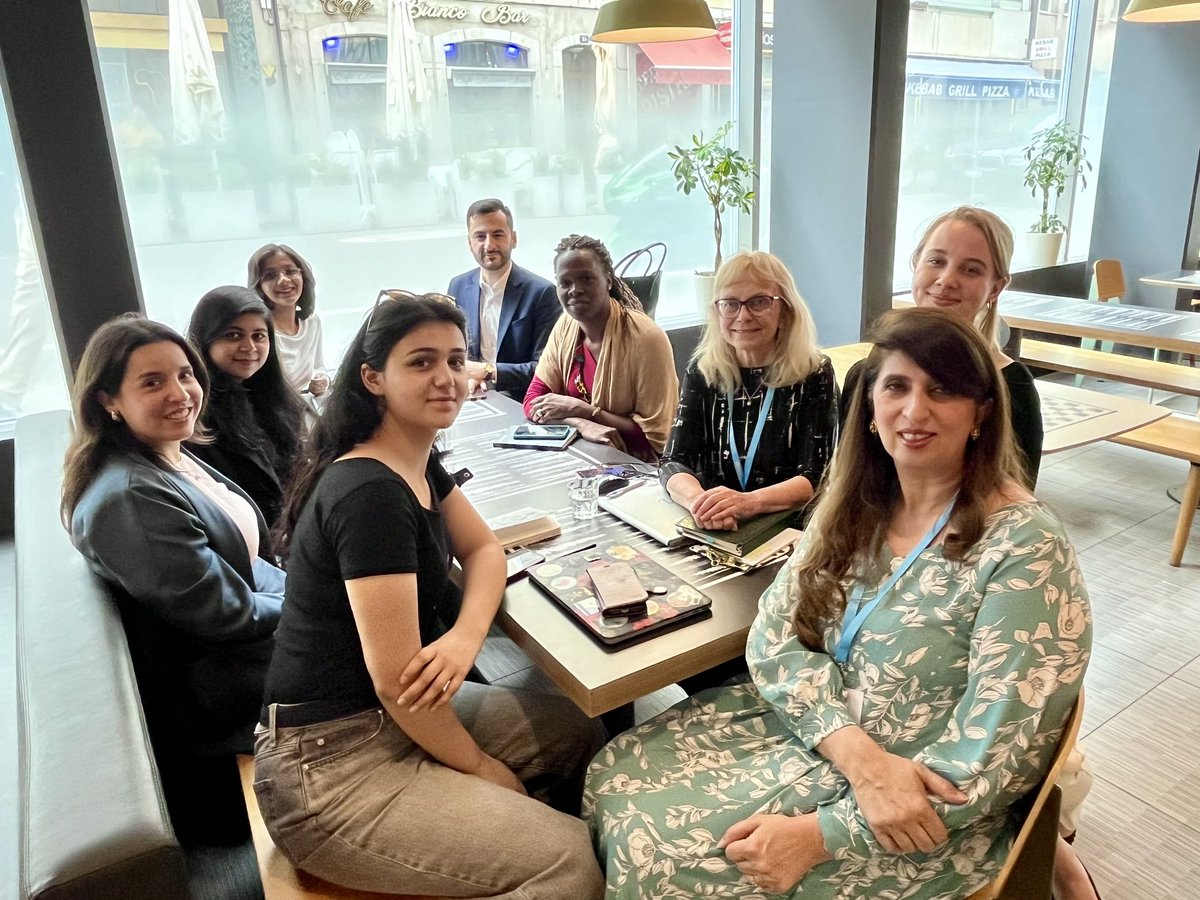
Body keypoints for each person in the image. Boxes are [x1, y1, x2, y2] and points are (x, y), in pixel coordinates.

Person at [587, 308, 1091, 899]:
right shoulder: (860, 504)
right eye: (896, 387)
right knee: (612, 773)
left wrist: (821, 835)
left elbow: (996, 756)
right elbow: (774, 632)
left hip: (920, 812)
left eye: (942, 391)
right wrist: (854, 752)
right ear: (871, 409)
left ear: (982, 412)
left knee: (667, 863)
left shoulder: (1025, 549)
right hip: (826, 737)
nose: (914, 410)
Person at [253, 294, 605, 897]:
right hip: (329, 767)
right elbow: (397, 684)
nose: (446, 377)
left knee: (578, 732)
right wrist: (482, 769)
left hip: (386, 719)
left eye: (455, 359)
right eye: (420, 362)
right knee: (566, 861)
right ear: (373, 379)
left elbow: (486, 551)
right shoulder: (368, 492)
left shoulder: (414, 457)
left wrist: (466, 640)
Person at [63, 315, 285, 837]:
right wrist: (319, 602)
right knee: (399, 648)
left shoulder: (171, 456)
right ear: (108, 401)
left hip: (244, 650)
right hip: (221, 695)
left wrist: (311, 589)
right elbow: (227, 613)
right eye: (152, 382)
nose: (181, 392)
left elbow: (250, 566)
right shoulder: (131, 498)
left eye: (185, 374)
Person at [840, 206, 1042, 487]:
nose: (946, 280)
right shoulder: (870, 370)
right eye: (936, 261)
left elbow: (1013, 507)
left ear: (995, 288)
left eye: (971, 270)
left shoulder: (1011, 388)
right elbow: (847, 479)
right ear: (916, 265)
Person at [660, 251, 838, 531]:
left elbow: (816, 476)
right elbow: (673, 461)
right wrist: (701, 504)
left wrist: (749, 502)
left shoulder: (814, 372)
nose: (743, 316)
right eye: (730, 304)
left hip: (787, 528)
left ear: (785, 310)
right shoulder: (703, 370)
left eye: (758, 302)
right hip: (714, 525)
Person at [524, 234, 678, 461]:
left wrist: (584, 411)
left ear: (608, 281)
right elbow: (532, 402)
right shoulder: (566, 326)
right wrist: (579, 423)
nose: (574, 290)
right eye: (565, 283)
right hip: (580, 457)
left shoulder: (646, 338)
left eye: (586, 279)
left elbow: (654, 441)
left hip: (640, 468)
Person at [186, 286, 307, 533]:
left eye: (259, 336)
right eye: (233, 335)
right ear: (205, 339)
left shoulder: (275, 399)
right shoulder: (196, 415)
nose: (249, 347)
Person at [447, 198, 561, 399]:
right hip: (471, 396)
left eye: (498, 235)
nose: (489, 245)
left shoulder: (542, 292)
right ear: (469, 243)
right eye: (480, 236)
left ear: (513, 239)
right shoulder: (458, 287)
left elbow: (547, 368)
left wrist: (488, 371)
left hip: (521, 401)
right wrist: (469, 376)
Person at [248, 243, 329, 397]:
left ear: (303, 277)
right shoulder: (259, 332)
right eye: (270, 275)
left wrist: (322, 379)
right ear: (259, 287)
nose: (283, 280)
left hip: (303, 407)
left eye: (290, 271)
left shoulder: (312, 323)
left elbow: (319, 367)